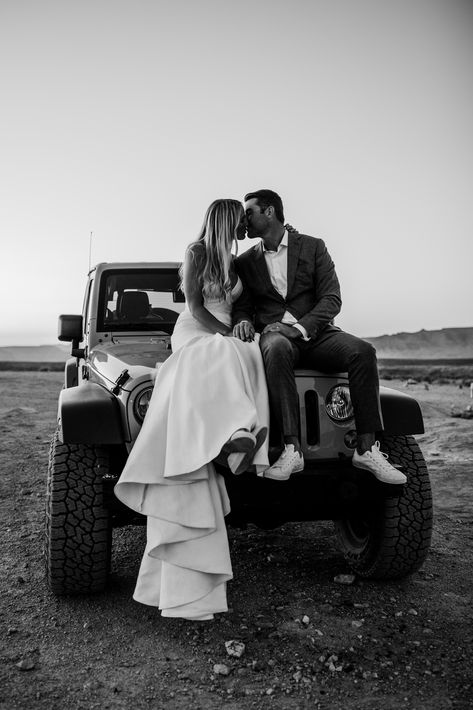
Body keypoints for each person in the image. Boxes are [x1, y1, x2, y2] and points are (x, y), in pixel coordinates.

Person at [115, 199, 269, 620]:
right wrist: (227, 333)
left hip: (223, 333)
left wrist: (241, 326)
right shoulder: (196, 252)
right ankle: (227, 440)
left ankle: (245, 443)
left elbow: (239, 308)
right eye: (239, 222)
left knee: (252, 353)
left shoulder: (236, 264)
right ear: (224, 220)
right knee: (225, 351)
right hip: (195, 332)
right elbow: (198, 309)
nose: (244, 228)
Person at [232, 189, 406, 485]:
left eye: (249, 212)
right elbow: (243, 306)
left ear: (270, 211)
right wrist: (244, 320)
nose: (244, 219)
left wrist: (298, 327)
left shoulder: (313, 247)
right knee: (274, 346)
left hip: (318, 335)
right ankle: (292, 450)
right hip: (278, 340)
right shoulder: (246, 261)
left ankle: (366, 449)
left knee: (363, 351)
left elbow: (331, 298)